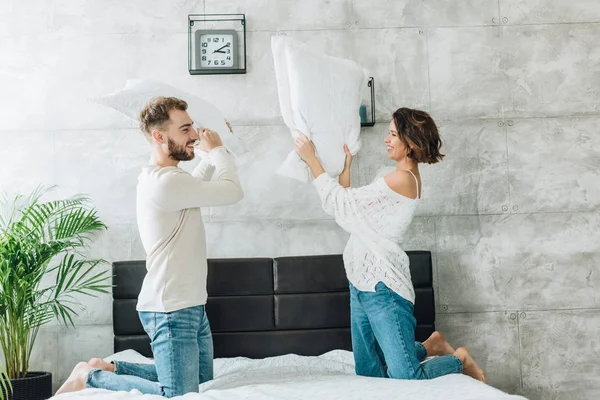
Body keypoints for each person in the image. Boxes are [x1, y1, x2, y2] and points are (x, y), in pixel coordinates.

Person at [56, 97, 244, 397]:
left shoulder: (169, 179)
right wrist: (218, 149)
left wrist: (211, 154)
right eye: (185, 129)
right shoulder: (165, 183)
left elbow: (194, 185)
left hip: (190, 303)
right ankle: (89, 376)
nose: (194, 135)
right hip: (171, 309)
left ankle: (111, 368)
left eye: (192, 127)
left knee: (202, 379)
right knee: (178, 393)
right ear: (159, 136)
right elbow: (232, 192)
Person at [294, 107, 486, 382]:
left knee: (406, 376)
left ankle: (459, 359)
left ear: (410, 143)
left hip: (384, 289)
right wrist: (347, 167)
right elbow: (348, 211)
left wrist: (312, 160)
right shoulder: (388, 174)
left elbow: (340, 204)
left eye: (393, 134)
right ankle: (429, 345)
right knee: (369, 372)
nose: (387, 139)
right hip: (359, 282)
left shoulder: (402, 181)